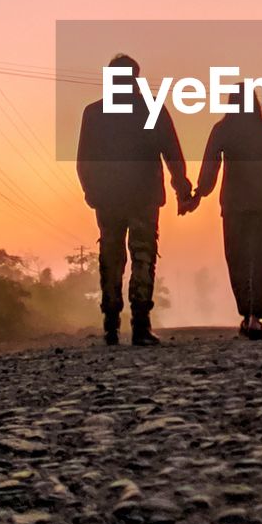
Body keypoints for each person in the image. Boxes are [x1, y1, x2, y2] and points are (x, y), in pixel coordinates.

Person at [76, 53, 195, 346]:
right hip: (144, 196)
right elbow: (173, 154)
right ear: (136, 77)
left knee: (111, 257)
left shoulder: (94, 113)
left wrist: (90, 191)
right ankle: (140, 326)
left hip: (108, 198)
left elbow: (83, 160)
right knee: (143, 256)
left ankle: (110, 326)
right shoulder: (151, 108)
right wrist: (182, 189)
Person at [194, 91, 262, 339]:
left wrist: (198, 194)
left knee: (238, 260)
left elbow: (210, 165)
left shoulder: (223, 129)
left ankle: (246, 314)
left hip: (235, 205)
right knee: (261, 261)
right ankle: (255, 318)